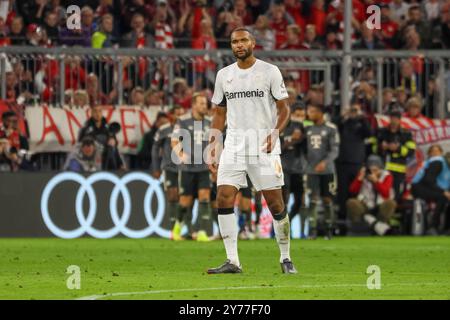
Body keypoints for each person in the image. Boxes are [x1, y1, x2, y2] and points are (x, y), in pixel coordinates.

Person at [208, 27, 296, 274]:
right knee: (223, 197)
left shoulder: (270, 71)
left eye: (243, 40)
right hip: (234, 147)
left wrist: (276, 132)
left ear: (253, 43)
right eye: (234, 41)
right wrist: (213, 144)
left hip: (263, 147)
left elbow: (284, 108)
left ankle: (286, 258)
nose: (238, 45)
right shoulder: (224, 75)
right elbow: (219, 112)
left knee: (275, 204)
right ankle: (232, 261)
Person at [171, 92, 213, 242]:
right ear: (193, 105)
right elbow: (174, 141)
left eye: (205, 103)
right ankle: (177, 227)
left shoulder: (210, 121)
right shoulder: (182, 121)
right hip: (187, 168)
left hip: (203, 167)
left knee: (204, 197)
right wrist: (181, 155)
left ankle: (201, 231)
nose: (204, 106)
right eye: (201, 103)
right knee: (185, 201)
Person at [304, 103, 339, 240]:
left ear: (320, 113)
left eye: (312, 111)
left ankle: (329, 230)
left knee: (327, 199)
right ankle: (312, 230)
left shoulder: (331, 129)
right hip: (311, 170)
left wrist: (324, 163)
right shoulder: (307, 128)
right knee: (312, 199)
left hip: (327, 170)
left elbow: (335, 150)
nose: (309, 114)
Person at [151, 106, 185, 239]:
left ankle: (187, 229)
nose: (179, 117)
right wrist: (155, 168)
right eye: (177, 114)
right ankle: (173, 230)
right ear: (171, 115)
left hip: (186, 168)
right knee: (172, 196)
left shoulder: (188, 128)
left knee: (186, 199)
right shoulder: (163, 129)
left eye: (181, 114)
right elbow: (155, 148)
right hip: (169, 167)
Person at [335, 103, 372, 222]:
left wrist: (361, 116)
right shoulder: (343, 124)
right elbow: (334, 124)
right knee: (342, 193)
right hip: (342, 163)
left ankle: (356, 218)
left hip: (357, 163)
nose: (353, 112)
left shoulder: (361, 125)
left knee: (356, 191)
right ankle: (342, 219)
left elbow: (369, 132)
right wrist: (344, 115)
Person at [371, 110, 416, 201]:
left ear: (400, 120)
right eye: (392, 119)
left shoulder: (406, 134)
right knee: (380, 192)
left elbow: (411, 151)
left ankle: (395, 213)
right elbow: (372, 148)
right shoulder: (381, 132)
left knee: (396, 194)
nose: (394, 121)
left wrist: (398, 149)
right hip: (381, 169)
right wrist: (381, 147)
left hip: (398, 171)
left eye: (396, 119)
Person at [347, 155, 396, 236]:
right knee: (351, 202)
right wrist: (359, 179)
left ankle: (380, 224)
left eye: (375, 170)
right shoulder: (363, 174)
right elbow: (352, 191)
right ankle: (360, 227)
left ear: (380, 169)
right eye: (371, 170)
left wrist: (376, 181)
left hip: (380, 205)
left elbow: (386, 193)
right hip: (365, 204)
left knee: (391, 203)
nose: (373, 173)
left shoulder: (387, 176)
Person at [280, 103, 307, 235]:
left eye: (302, 115)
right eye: (297, 115)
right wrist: (291, 141)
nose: (300, 118)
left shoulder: (305, 129)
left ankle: (287, 222)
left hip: (298, 169)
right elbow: (276, 148)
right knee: (284, 199)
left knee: (299, 201)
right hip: (284, 168)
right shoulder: (283, 126)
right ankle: (280, 229)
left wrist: (302, 138)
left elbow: (308, 149)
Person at [411, 144, 450, 234]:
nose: (435, 153)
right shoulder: (437, 162)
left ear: (441, 152)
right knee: (442, 197)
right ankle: (433, 227)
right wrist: (444, 192)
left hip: (423, 187)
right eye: (433, 151)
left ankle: (444, 227)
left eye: (437, 151)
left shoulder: (436, 163)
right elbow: (428, 180)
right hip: (419, 188)